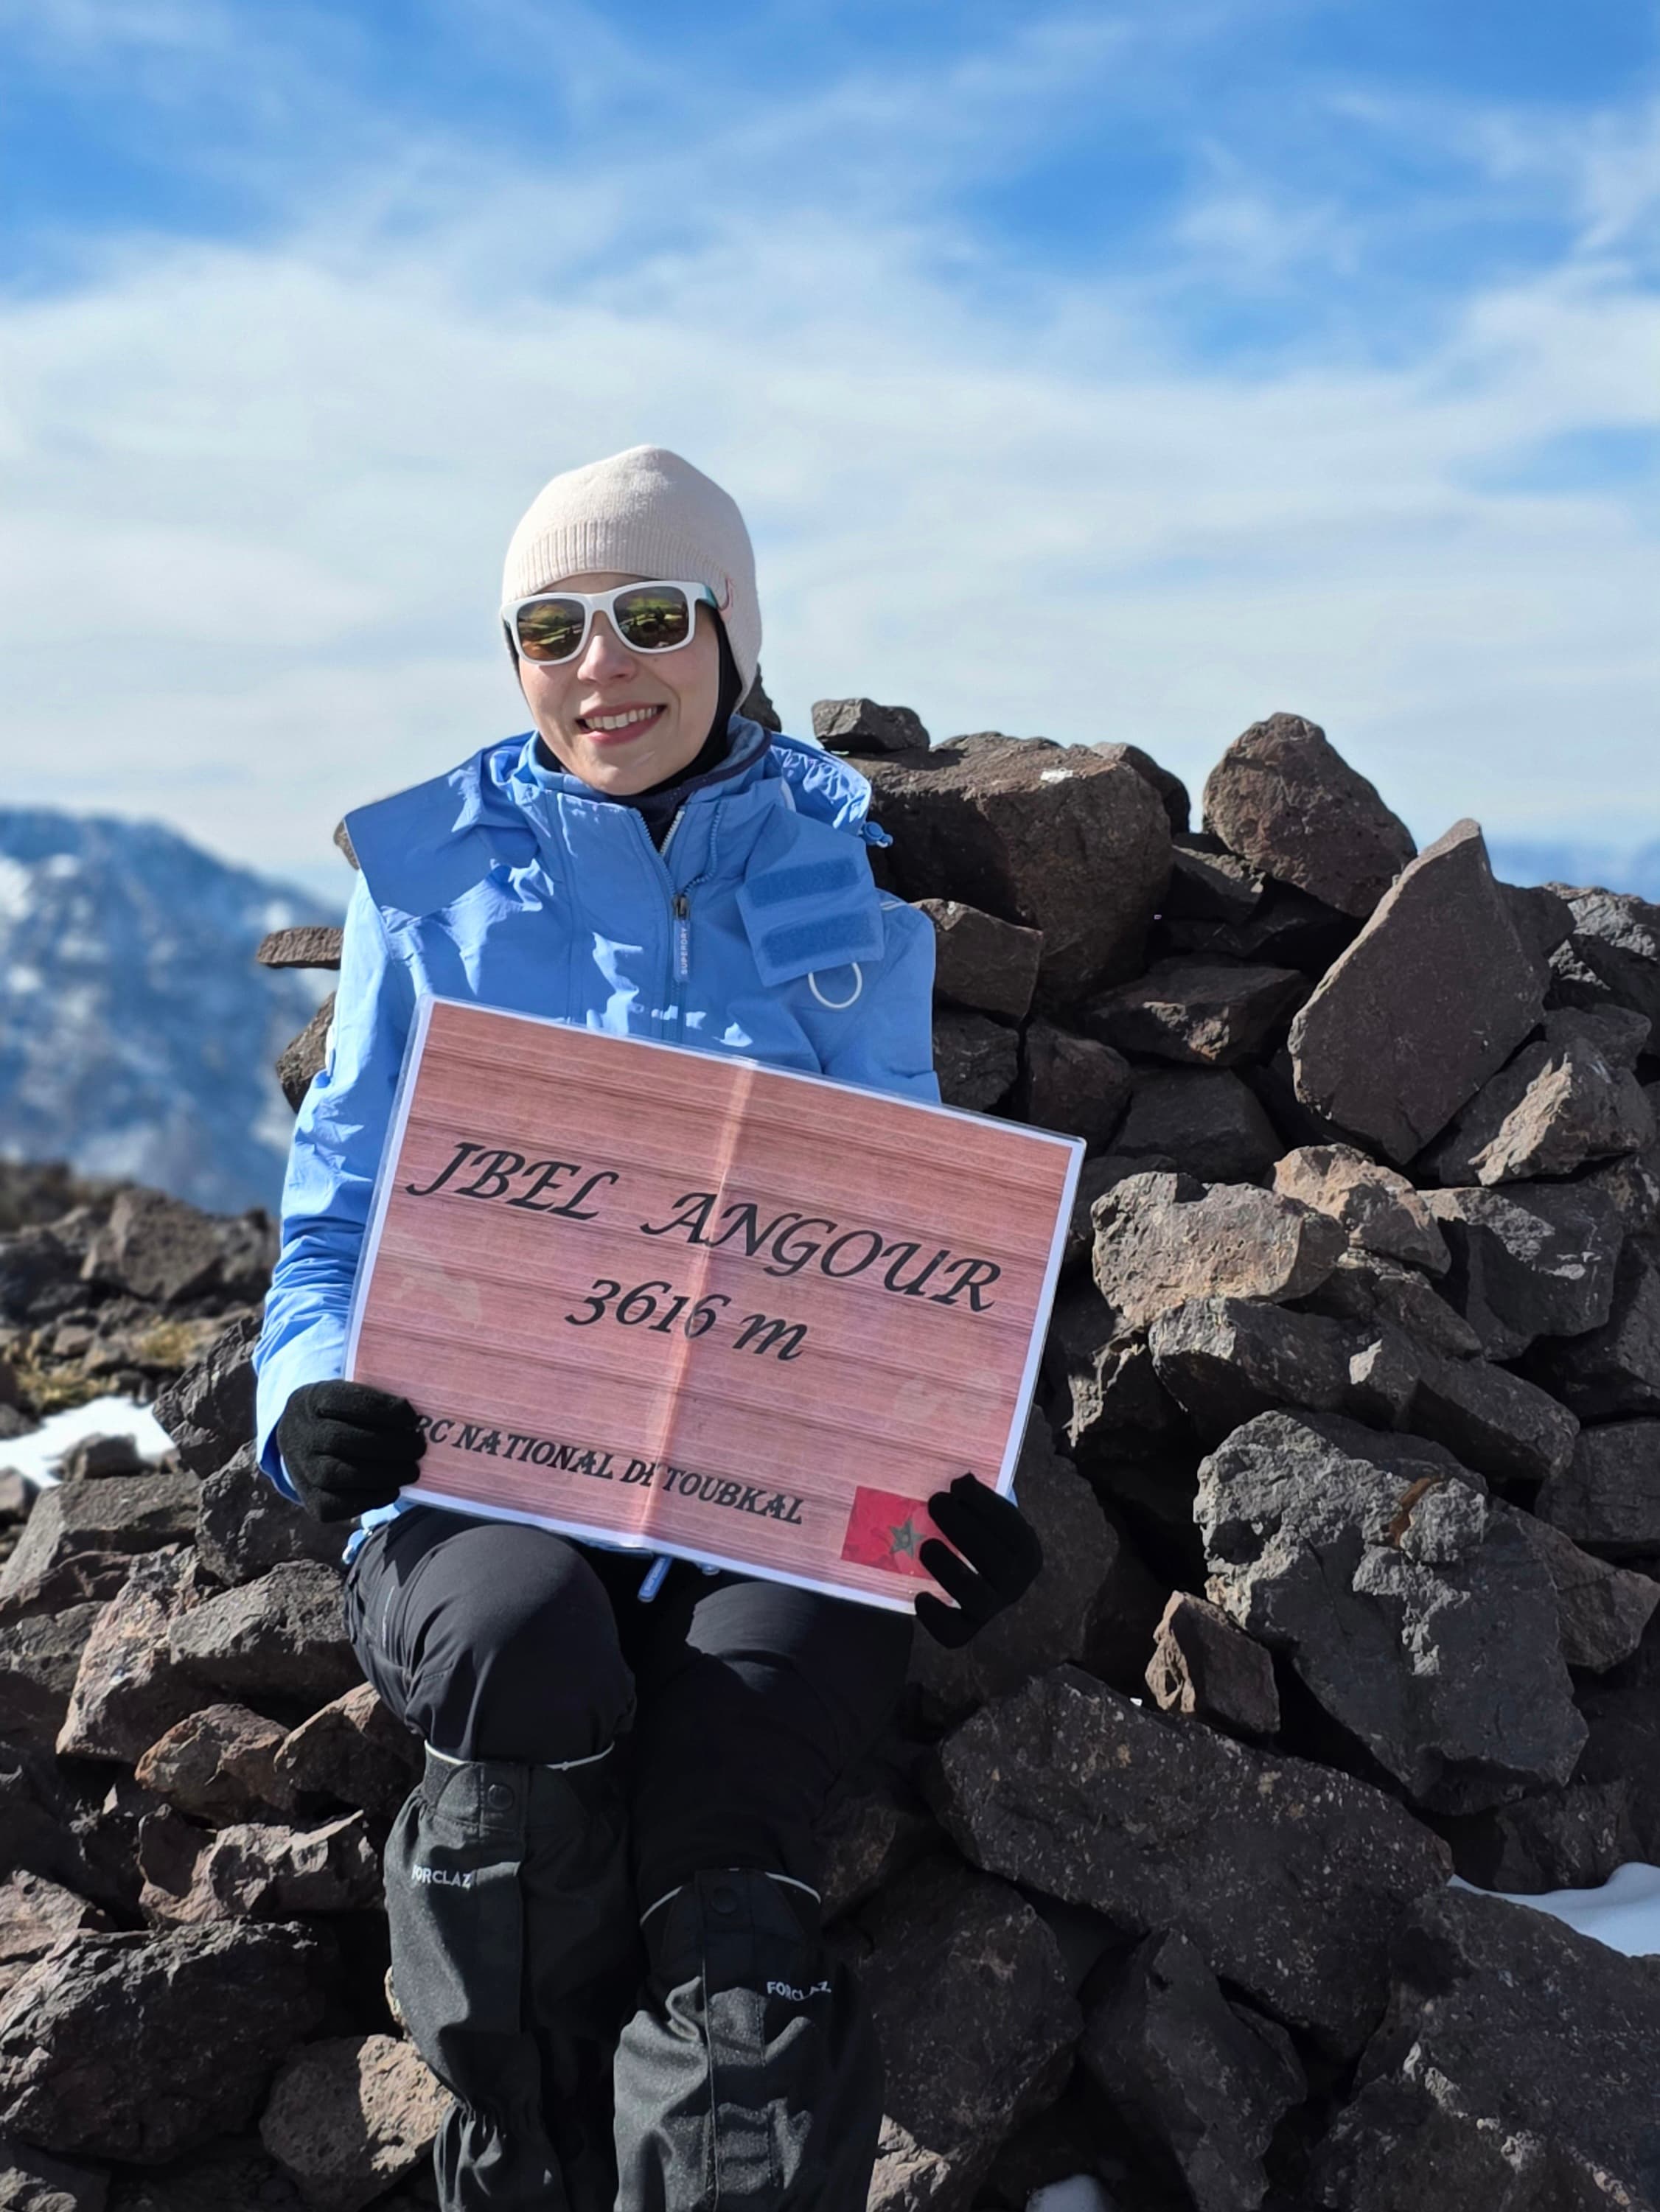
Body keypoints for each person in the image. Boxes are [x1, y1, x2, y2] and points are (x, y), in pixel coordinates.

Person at [250, 446, 1042, 2212]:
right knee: (525, 1655)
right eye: (551, 626)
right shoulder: (424, 879)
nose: (599, 665)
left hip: (762, 1493)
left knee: (730, 1799)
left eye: (651, 614)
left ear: (732, 633)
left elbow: (902, 1261)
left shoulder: (850, 894)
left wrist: (953, 1485)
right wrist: (311, 1409)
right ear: (513, 655)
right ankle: (518, 2159)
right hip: (482, 1470)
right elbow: (329, 1225)